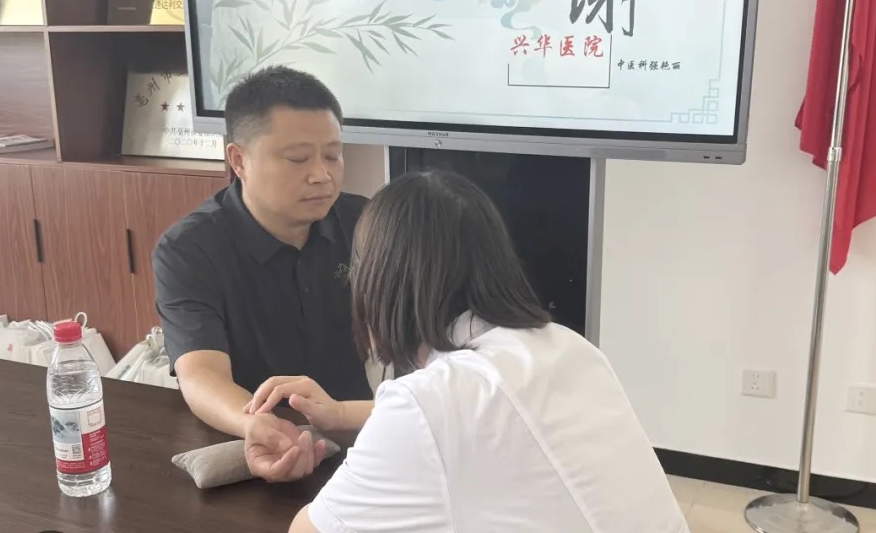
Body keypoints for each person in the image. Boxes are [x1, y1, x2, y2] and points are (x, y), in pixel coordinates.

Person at [243, 169, 691, 532]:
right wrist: (340, 413)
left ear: (378, 282)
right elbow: (481, 424)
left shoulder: (427, 401)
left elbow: (310, 529)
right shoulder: (570, 347)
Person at [153, 66, 376, 480]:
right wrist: (257, 426)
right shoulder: (189, 249)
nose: (322, 175)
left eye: (333, 155)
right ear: (239, 160)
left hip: (358, 439)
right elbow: (200, 373)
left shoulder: (365, 222)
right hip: (248, 444)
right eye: (297, 159)